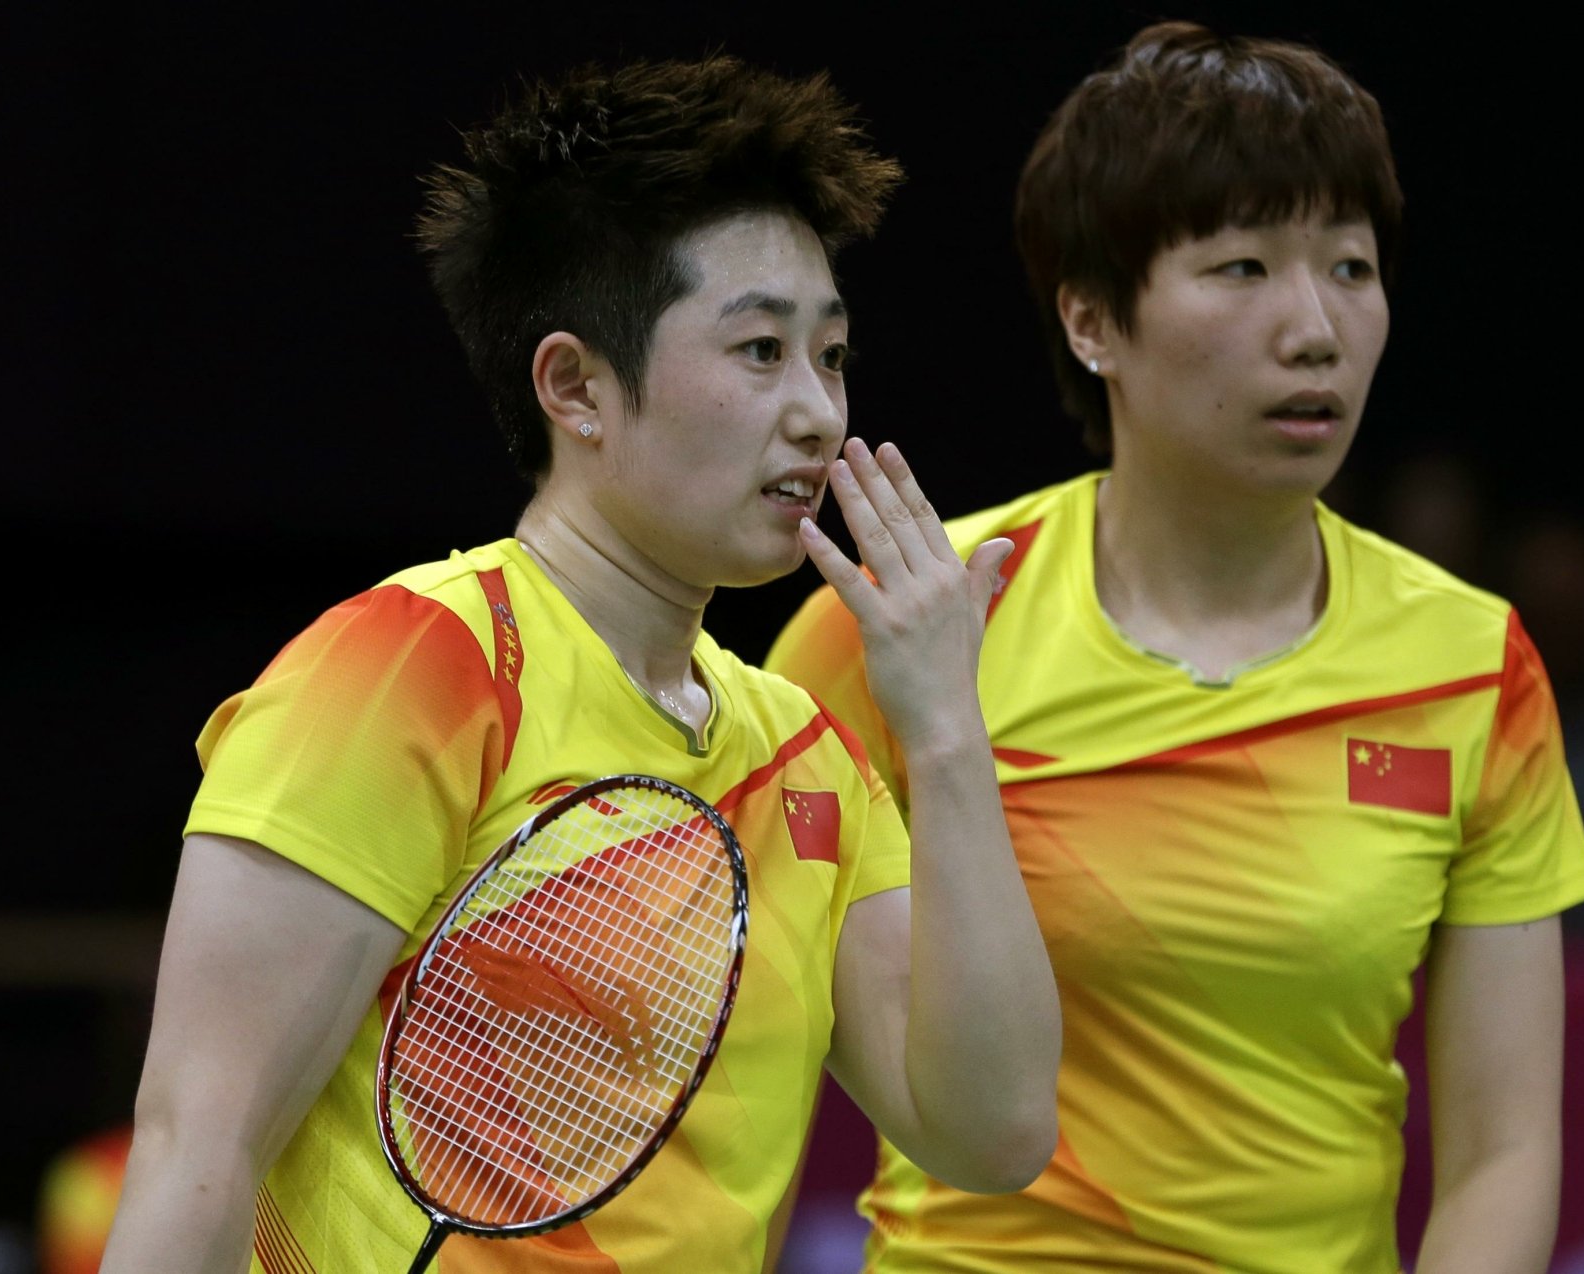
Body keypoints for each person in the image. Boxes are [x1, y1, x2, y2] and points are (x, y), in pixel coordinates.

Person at [101, 55, 1059, 1274]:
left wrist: (943, 731)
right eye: (761, 350)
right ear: (576, 386)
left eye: (831, 352)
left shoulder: (802, 750)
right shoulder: (414, 670)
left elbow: (996, 1129)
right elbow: (202, 1139)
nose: (820, 410)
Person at [768, 21, 1584, 1274]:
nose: (1316, 328)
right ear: (1094, 318)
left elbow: (1502, 1150)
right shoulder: (907, 618)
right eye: (1245, 267)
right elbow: (742, 1060)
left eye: (1353, 267)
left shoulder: (1471, 667)